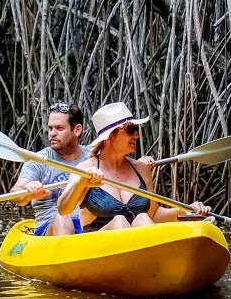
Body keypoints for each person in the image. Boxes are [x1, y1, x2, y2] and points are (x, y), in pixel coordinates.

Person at [55, 101, 211, 232]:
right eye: (130, 130)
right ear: (110, 136)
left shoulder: (141, 169)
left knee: (142, 218)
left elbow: (154, 214)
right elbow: (63, 209)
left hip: (137, 244)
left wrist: (184, 210)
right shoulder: (85, 169)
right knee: (119, 222)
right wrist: (80, 182)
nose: (137, 135)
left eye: (136, 129)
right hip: (99, 246)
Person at [13, 103, 90, 236]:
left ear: (77, 130)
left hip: (87, 226)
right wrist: (28, 192)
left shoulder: (92, 156)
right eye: (50, 128)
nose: (52, 134)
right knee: (63, 217)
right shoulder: (38, 160)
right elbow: (16, 194)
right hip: (51, 227)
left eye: (59, 128)